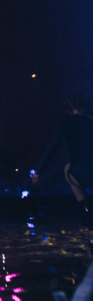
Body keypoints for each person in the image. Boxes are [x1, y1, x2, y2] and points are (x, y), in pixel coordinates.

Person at [31, 93, 93, 226]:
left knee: (68, 168)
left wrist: (38, 171)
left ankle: (87, 209)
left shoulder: (67, 121)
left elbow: (53, 147)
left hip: (83, 171)